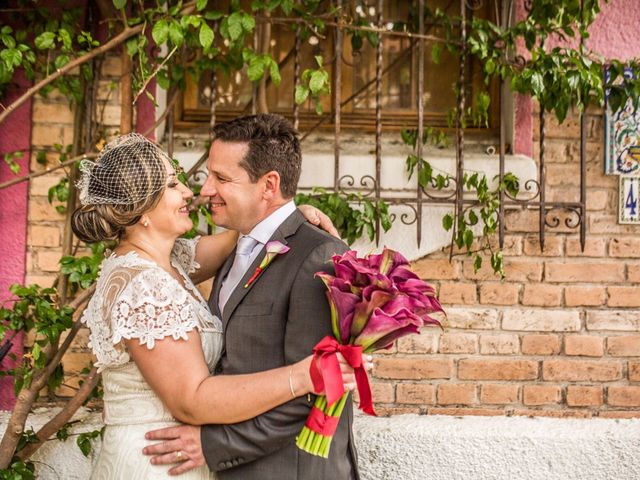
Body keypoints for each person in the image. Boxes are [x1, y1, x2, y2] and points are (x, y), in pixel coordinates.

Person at [72, 133, 360, 479]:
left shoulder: (170, 259)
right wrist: (302, 375)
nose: (190, 193)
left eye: (219, 178)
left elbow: (249, 236)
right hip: (157, 459)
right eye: (173, 185)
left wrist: (292, 215)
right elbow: (191, 399)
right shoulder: (143, 284)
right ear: (142, 210)